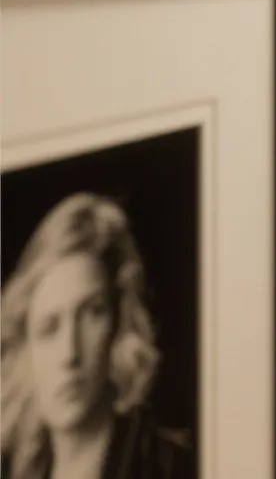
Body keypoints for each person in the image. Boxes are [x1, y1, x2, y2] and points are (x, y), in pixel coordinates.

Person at [0, 193, 193, 479]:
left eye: (92, 314)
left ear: (118, 323)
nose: (70, 354)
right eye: (49, 328)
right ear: (26, 347)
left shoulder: (172, 467)